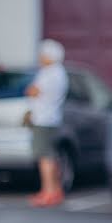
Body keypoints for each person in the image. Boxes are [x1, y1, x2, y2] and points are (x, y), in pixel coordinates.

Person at [26, 38, 69, 208]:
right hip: (52, 118)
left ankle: (48, 191)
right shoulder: (60, 72)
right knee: (52, 156)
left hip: (43, 119)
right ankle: (55, 190)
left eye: (43, 54)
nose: (40, 57)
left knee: (45, 158)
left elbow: (33, 91)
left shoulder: (49, 73)